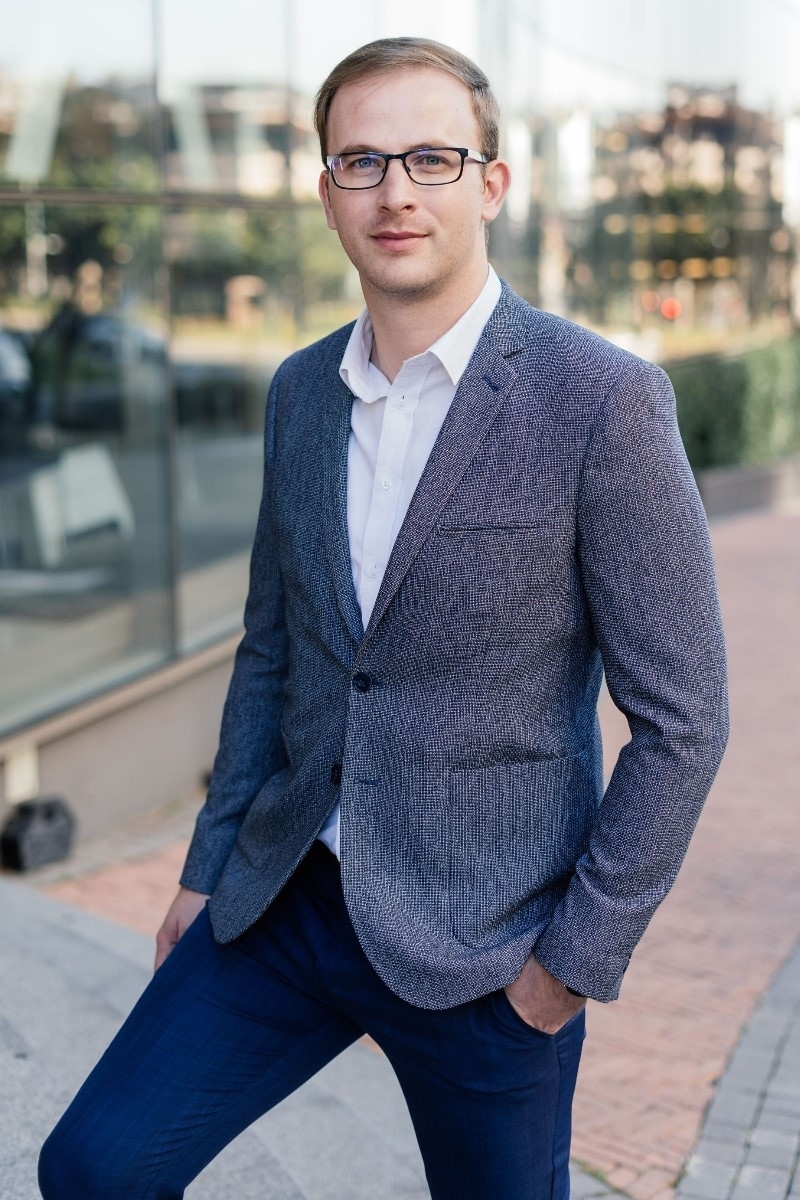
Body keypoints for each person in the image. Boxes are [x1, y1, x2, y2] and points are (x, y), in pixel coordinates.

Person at [39, 36, 729, 1200]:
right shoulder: (300, 391)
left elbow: (685, 721)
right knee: (95, 1168)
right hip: (288, 898)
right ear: (326, 195)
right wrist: (208, 869)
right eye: (360, 162)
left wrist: (568, 965)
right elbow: (274, 651)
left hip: (488, 948)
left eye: (429, 158)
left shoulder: (602, 402)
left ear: (490, 184)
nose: (394, 191)